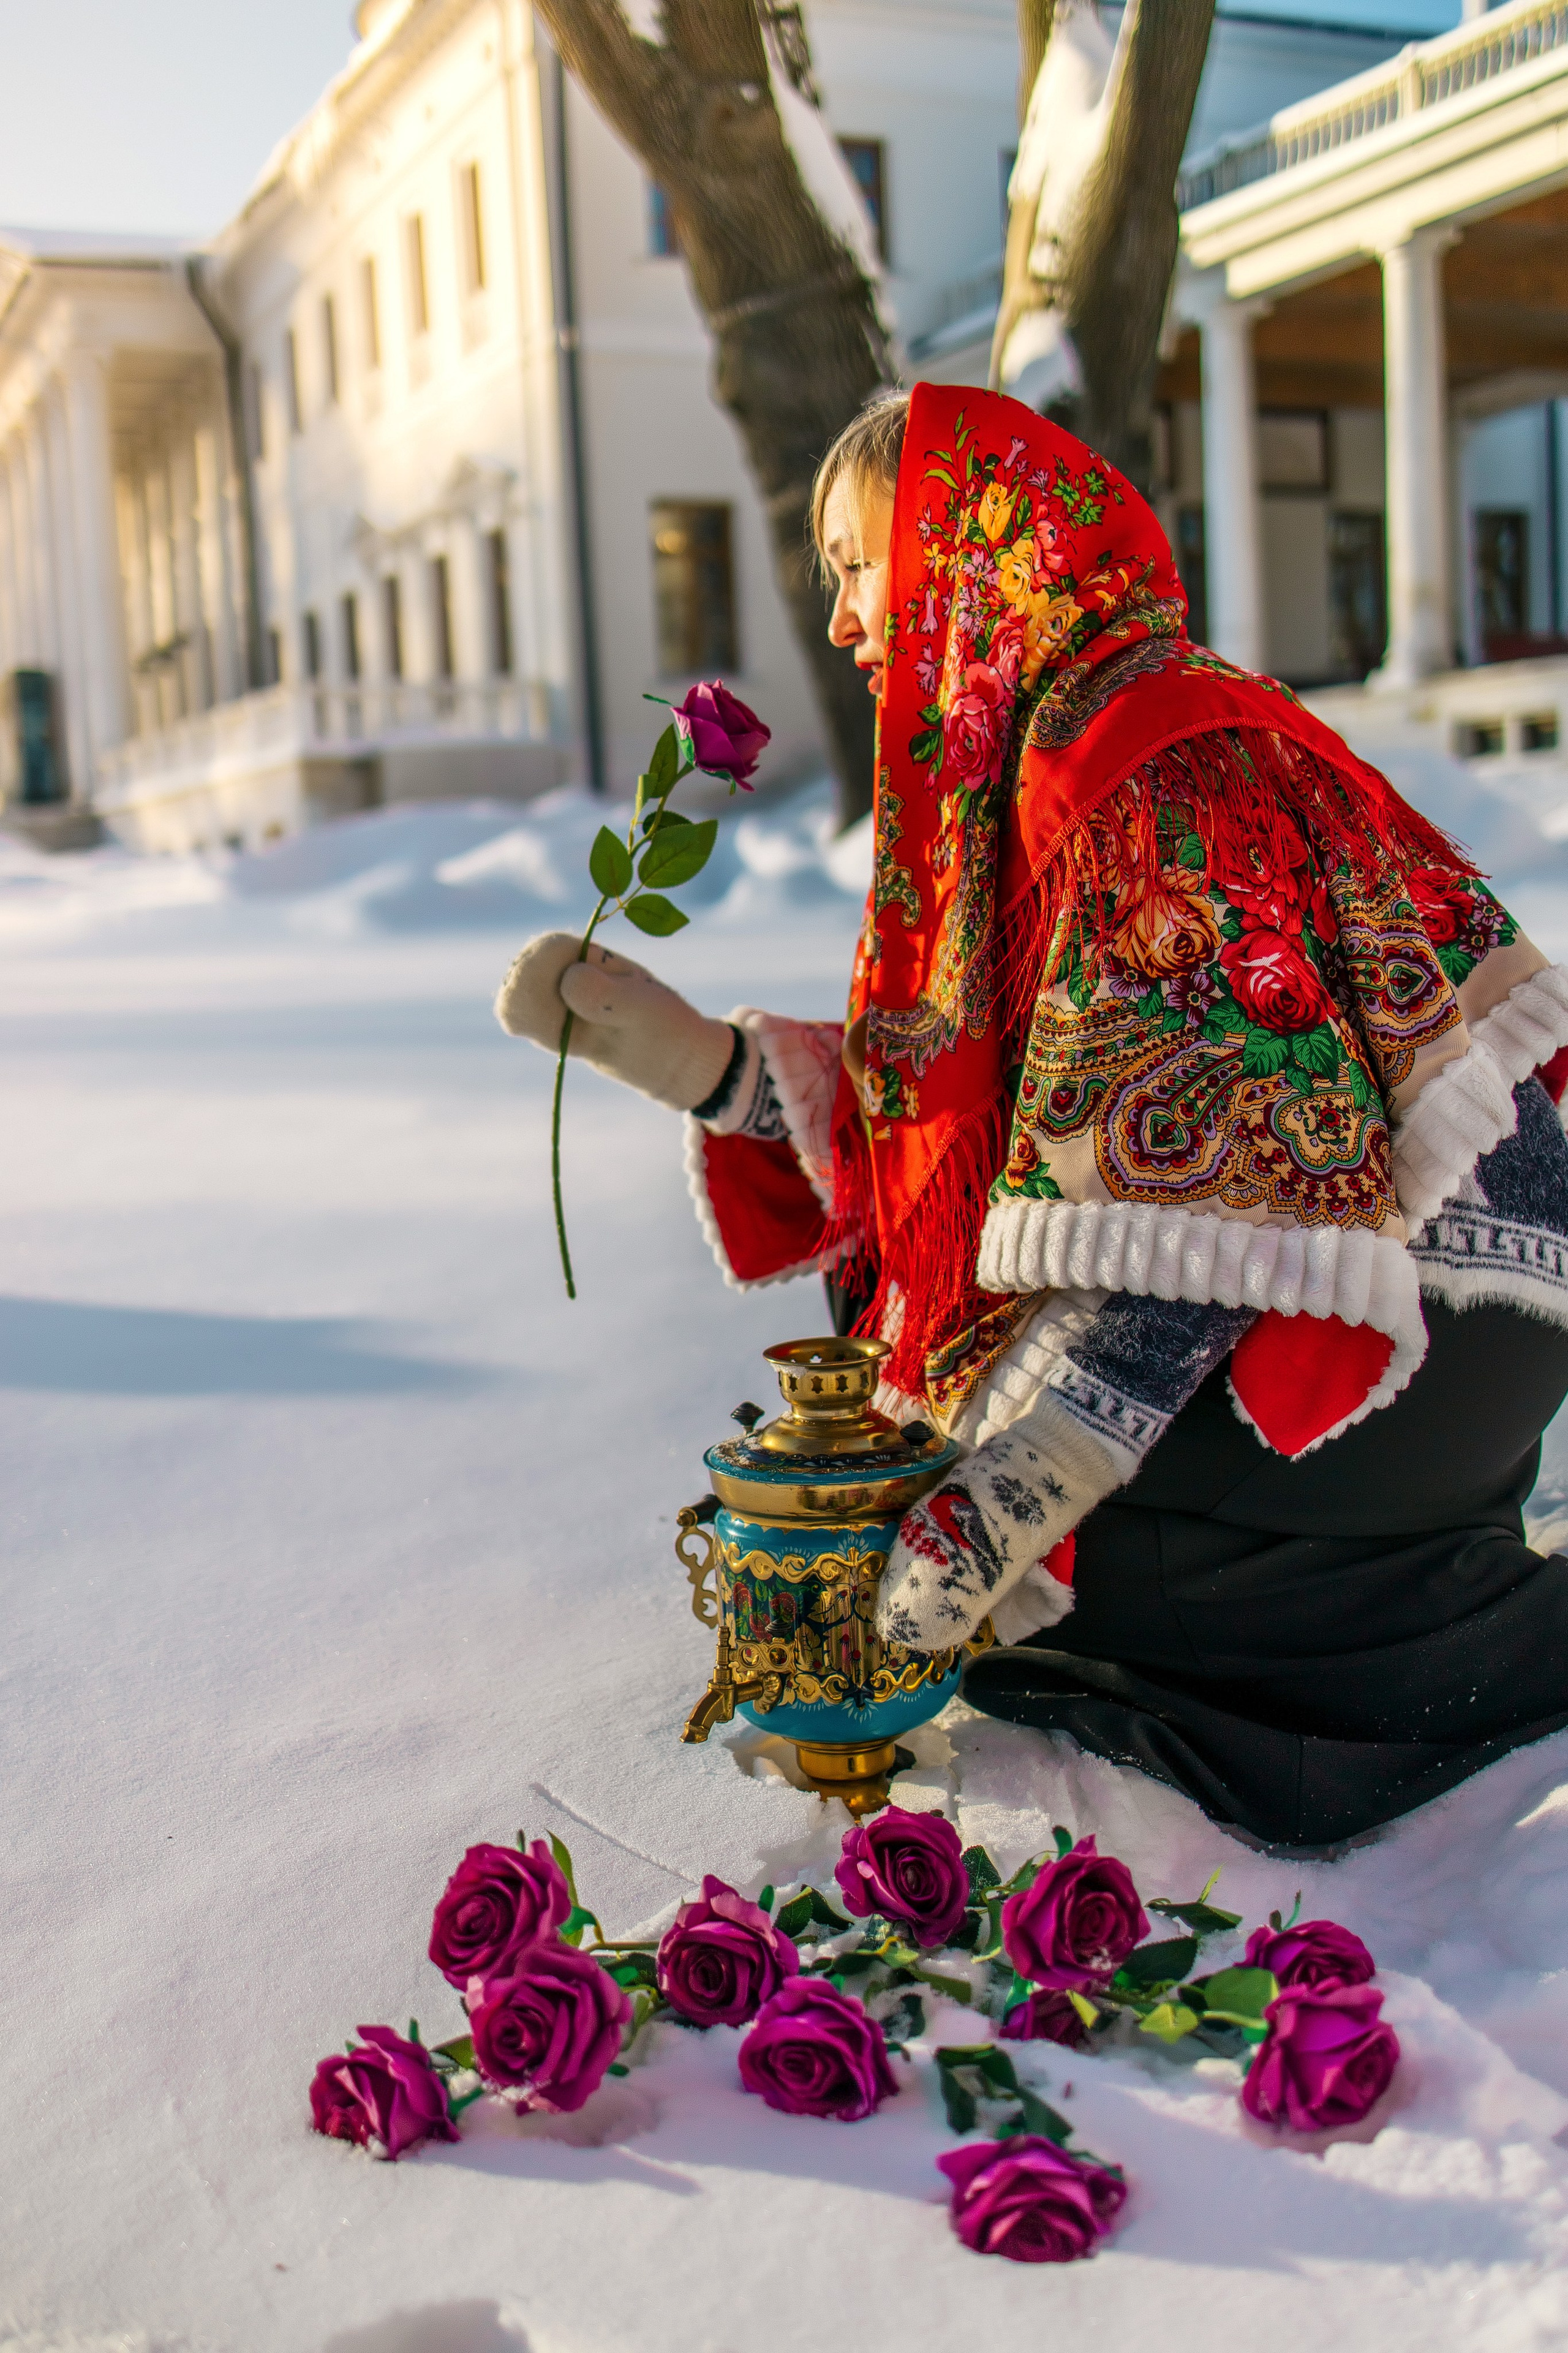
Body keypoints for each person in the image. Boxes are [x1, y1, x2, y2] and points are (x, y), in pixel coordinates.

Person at [497, 382, 1568, 1853]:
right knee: (953, 1473)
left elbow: (1227, 1169)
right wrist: (704, 1064)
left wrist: (1025, 1475)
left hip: (1424, 1326)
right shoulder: (1030, 755)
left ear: (973, 546)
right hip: (1358, 1308)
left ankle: (1363, 1604)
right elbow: (1002, 1120)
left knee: (1061, 1556)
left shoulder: (1138, 745)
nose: (840, 621)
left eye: (860, 563)